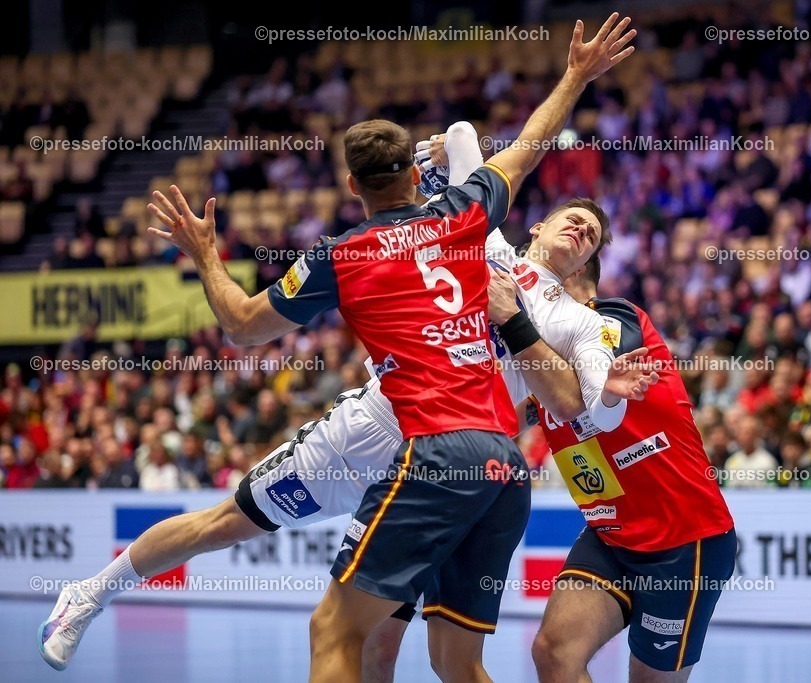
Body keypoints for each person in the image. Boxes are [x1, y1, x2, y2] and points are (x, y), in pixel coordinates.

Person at [39, 17, 640, 681]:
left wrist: (207, 255)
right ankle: (89, 592)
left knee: (395, 650)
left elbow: (243, 324)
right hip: (375, 432)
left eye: (592, 235)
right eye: (573, 219)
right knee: (232, 525)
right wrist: (568, 79)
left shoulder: (567, 311)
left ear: (353, 187)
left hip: (457, 449)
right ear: (536, 222)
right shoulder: (475, 223)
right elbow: (509, 146)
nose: (581, 232)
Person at [518, 255, 736, 683]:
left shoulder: (613, 319)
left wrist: (512, 322)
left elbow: (576, 393)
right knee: (553, 653)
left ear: (573, 272)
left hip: (683, 538)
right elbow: (505, 415)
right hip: (612, 537)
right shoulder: (541, 363)